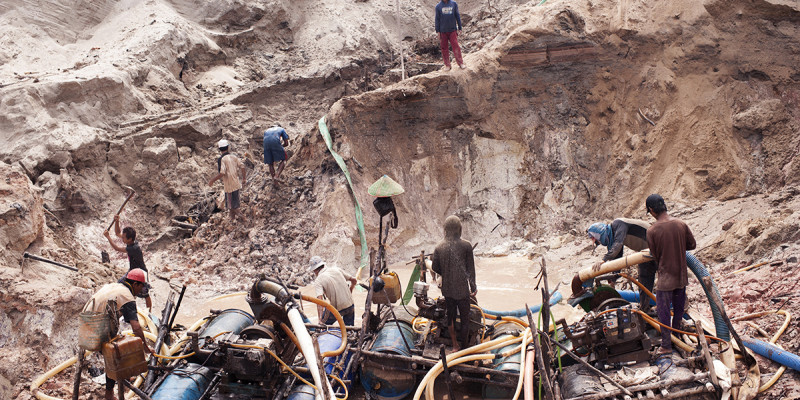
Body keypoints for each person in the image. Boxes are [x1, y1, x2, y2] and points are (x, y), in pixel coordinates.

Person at [85, 269, 153, 400]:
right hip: (95, 328)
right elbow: (136, 328)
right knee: (117, 352)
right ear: (135, 284)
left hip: (86, 323)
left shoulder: (116, 286)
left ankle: (125, 376)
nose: (141, 291)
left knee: (119, 342)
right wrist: (146, 348)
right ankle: (109, 393)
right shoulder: (127, 297)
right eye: (141, 287)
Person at [645, 194, 696, 355]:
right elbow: (692, 245)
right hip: (681, 277)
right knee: (679, 310)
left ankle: (667, 345)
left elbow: (655, 256)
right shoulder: (681, 224)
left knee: (663, 312)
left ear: (652, 210)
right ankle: (677, 337)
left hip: (665, 279)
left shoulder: (652, 231)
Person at [587, 218, 657, 311]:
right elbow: (617, 260)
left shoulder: (618, 224)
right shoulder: (613, 239)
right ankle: (645, 310)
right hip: (646, 254)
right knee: (644, 281)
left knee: (665, 282)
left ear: (600, 233)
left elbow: (618, 244)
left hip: (659, 246)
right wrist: (612, 280)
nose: (597, 242)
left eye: (595, 239)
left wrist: (603, 260)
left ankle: (671, 308)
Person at [431, 215, 476, 350]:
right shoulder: (466, 246)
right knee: (465, 319)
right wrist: (473, 287)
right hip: (462, 291)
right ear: (459, 229)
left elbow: (434, 268)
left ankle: (455, 345)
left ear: (445, 230)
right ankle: (465, 347)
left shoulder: (439, 247)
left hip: (448, 290)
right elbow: (470, 270)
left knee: (450, 316)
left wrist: (445, 272)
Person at [103, 216, 152, 311]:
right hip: (133, 271)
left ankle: (149, 312)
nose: (122, 239)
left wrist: (108, 237)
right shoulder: (130, 242)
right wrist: (117, 221)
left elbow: (117, 248)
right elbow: (117, 233)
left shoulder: (133, 248)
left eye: (124, 238)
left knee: (145, 294)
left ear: (130, 239)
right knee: (121, 284)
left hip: (141, 273)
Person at [308, 256, 357, 326]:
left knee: (323, 325)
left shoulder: (318, 280)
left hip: (337, 309)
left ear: (315, 270)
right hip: (350, 306)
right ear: (323, 265)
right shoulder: (336, 269)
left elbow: (320, 302)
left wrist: (320, 320)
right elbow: (354, 280)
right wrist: (350, 290)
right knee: (350, 330)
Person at [208, 139, 246, 220]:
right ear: (228, 147)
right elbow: (242, 166)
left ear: (219, 149)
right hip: (236, 184)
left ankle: (244, 218)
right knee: (233, 204)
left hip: (229, 187)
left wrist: (212, 180)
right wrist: (244, 178)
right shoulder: (234, 157)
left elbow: (222, 173)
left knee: (232, 206)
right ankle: (232, 220)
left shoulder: (222, 159)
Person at [435, 0, 464, 71]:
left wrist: (460, 27)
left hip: (452, 30)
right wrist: (438, 31)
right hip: (443, 31)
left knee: (456, 46)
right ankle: (447, 65)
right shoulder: (438, 6)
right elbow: (437, 19)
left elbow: (457, 15)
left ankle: (460, 63)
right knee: (444, 48)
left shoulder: (453, 4)